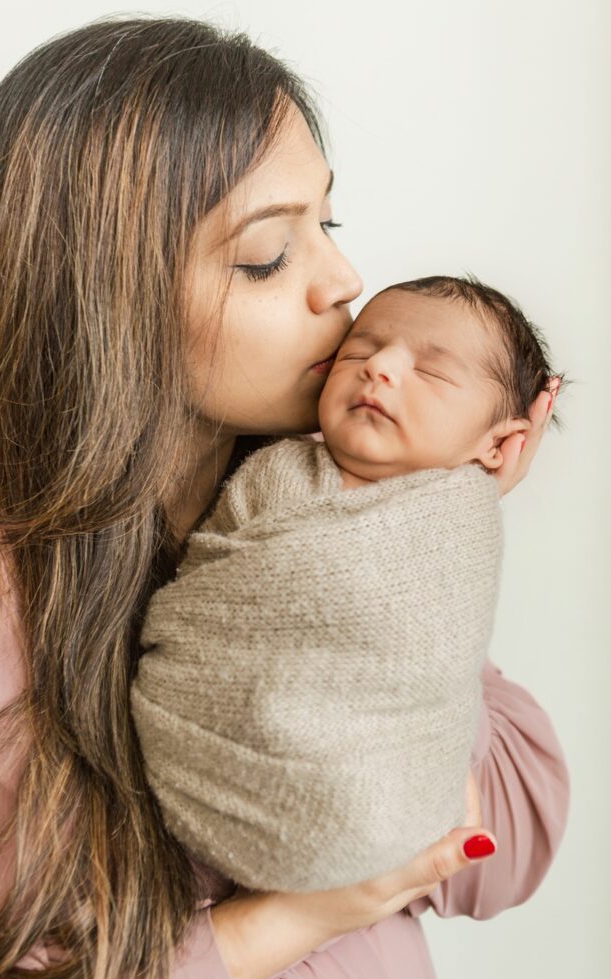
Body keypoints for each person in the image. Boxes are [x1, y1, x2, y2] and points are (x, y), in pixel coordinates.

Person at [0, 15, 570, 979]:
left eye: (330, 224)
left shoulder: (323, 485)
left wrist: (432, 535)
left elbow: (497, 863)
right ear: (104, 296)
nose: (342, 282)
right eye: (269, 255)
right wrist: (291, 919)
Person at [130, 273, 568, 899]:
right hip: (210, 746)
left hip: (364, 794)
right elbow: (212, 590)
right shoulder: (275, 467)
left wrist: (467, 497)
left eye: (433, 372)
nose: (380, 367)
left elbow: (423, 675)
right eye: (359, 351)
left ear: (499, 446)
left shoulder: (460, 528)